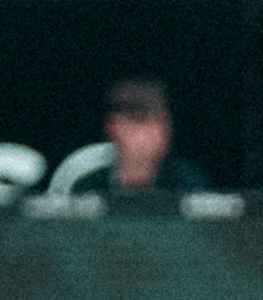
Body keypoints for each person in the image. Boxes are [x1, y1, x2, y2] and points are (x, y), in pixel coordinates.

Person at [67, 78, 209, 205]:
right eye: (136, 123)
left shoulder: (188, 186)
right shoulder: (88, 188)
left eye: (157, 124)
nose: (145, 135)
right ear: (112, 127)